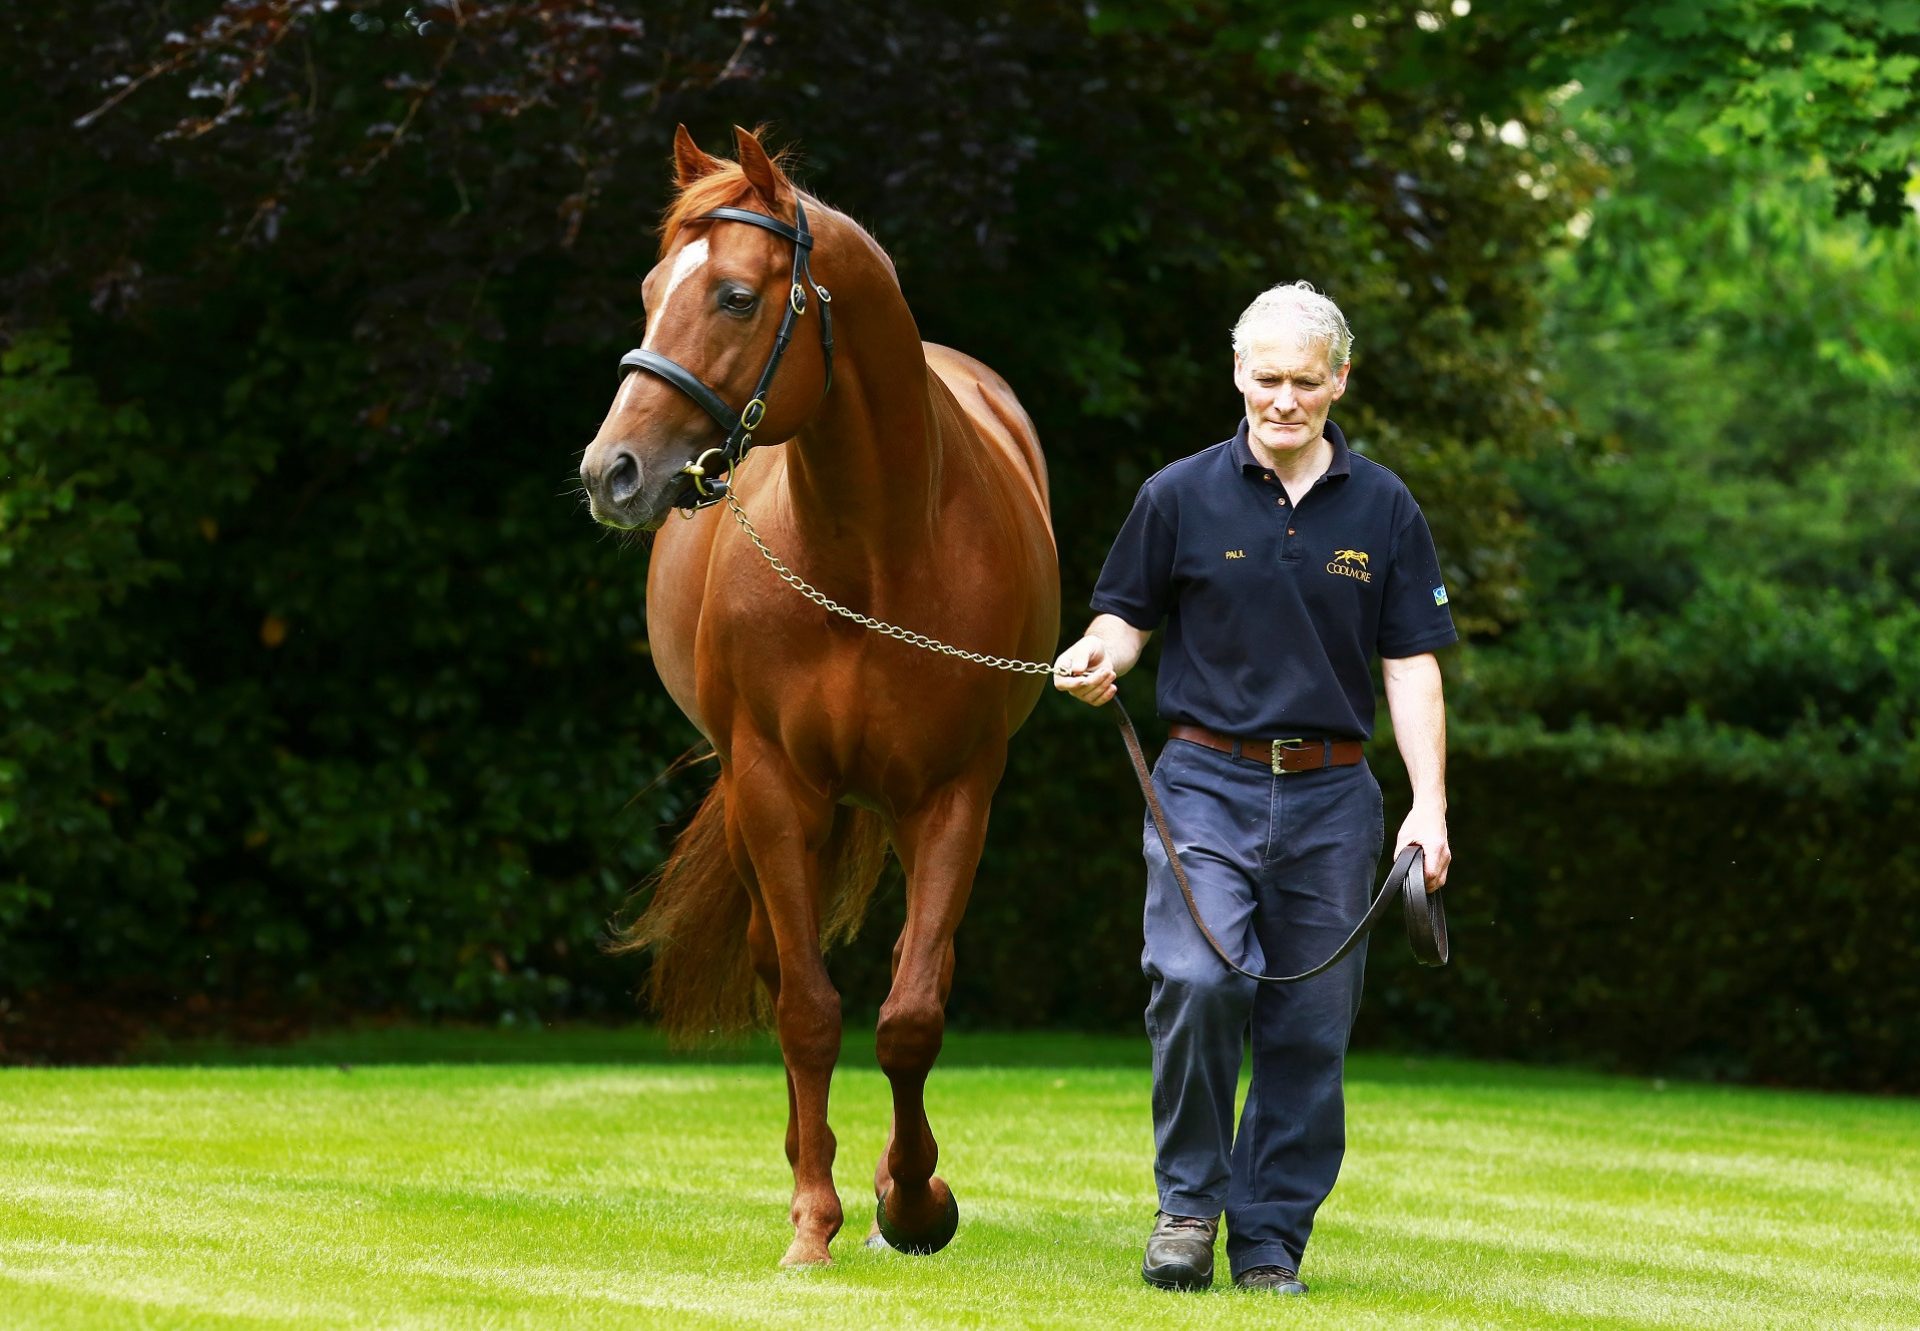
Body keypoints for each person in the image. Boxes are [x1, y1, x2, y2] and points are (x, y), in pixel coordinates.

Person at [1052, 281, 1455, 1296]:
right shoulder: (1177, 494)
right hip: (1203, 781)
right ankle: (1189, 1209)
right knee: (1196, 978)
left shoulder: (1385, 505)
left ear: (1339, 380)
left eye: (1304, 382)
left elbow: (1411, 662)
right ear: (1238, 372)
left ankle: (1270, 1242)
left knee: (1310, 1026)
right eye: (1266, 377)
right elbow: (1123, 619)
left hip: (1334, 797)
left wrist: (1429, 804)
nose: (1283, 399)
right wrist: (1096, 657)